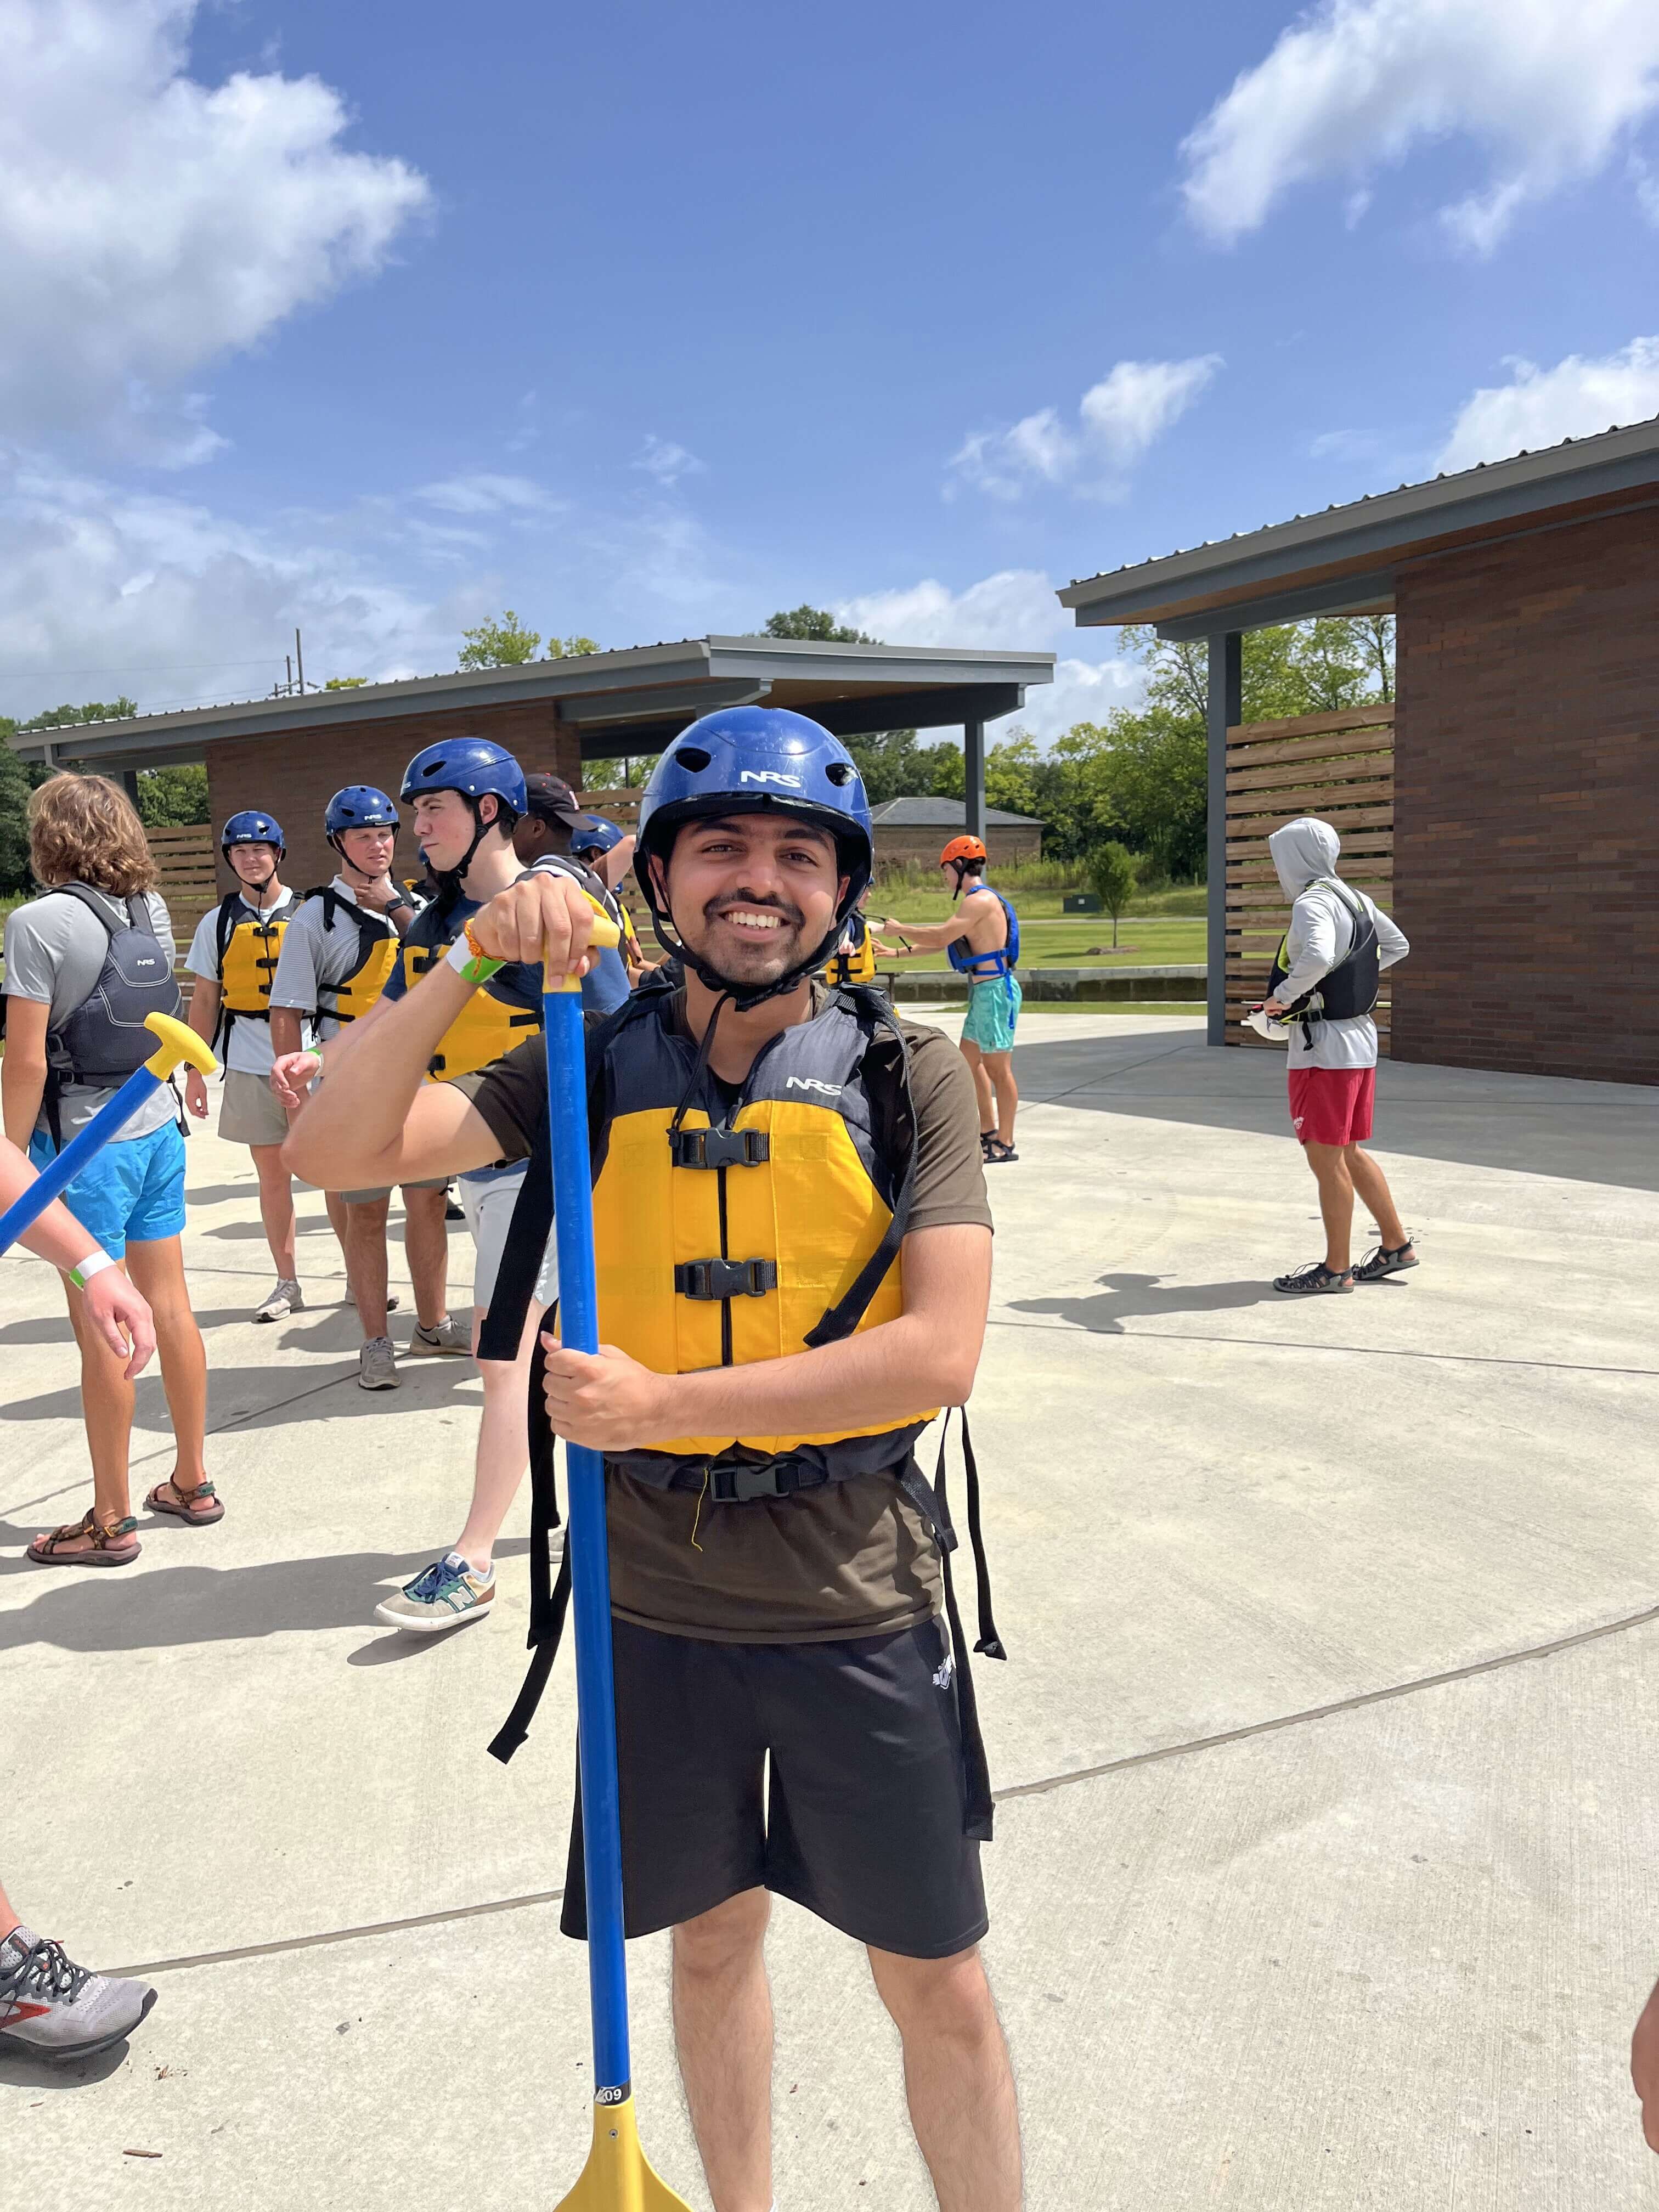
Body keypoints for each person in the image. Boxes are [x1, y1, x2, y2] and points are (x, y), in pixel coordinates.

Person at [285, 707, 1020, 2212]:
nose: (761, 882)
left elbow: (941, 1352)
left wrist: (663, 1410)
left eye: (797, 856)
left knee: (937, 1983)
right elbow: (336, 1153)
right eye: (723, 851)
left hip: (856, 1591)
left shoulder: (909, 1076)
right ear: (662, 881)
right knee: (708, 1939)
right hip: (655, 1601)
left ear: (842, 890)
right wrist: (468, 960)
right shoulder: (589, 1062)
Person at [284, 737, 625, 1632]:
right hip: (482, 1174)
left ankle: (474, 1556)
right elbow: (391, 1022)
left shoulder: (551, 905)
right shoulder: (435, 927)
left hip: (548, 1175)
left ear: (485, 811)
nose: (413, 828)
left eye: (431, 809)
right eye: (410, 812)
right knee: (544, 1356)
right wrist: (321, 1060)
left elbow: (623, 1032)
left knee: (502, 1358)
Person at [2, 774, 217, 1565]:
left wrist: (13, 1158)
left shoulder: (36, 923)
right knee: (170, 1306)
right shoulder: (149, 911)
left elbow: (24, 1059)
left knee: (103, 1328)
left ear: (50, 835)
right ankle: (192, 1480)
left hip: (84, 1144)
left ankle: (111, 1519)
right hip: (155, 1126)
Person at [268, 786, 465, 1390]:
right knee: (368, 1213)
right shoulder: (313, 917)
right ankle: (375, 1341)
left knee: (429, 1203)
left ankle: (432, 1325)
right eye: (363, 837)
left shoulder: (420, 903)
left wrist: (395, 904)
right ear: (338, 844)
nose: (378, 846)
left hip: (423, 1076)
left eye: (385, 835)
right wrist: (295, 1097)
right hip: (354, 1082)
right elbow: (287, 1010)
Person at [1261, 815, 1415, 1294]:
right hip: (1360, 1038)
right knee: (1349, 1150)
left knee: (1326, 1159)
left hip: (1323, 1047)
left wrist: (1284, 997)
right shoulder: (1357, 898)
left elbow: (1317, 957)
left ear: (1294, 858)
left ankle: (1336, 1269)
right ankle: (1396, 1246)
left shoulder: (1313, 902)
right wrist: (1350, 980)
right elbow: (1396, 945)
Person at [182, 810, 308, 1322]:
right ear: (230, 859)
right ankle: (287, 1282)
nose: (251, 859)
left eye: (260, 850)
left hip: (313, 1056)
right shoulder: (218, 923)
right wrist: (195, 1069)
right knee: (272, 1176)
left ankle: (358, 1277)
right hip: (251, 1062)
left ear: (278, 854)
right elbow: (206, 1001)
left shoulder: (312, 913)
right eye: (239, 851)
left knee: (339, 1172)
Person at [881, 835, 1022, 1164]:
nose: (944, 877)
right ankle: (988, 1133)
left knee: (998, 1070)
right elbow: (943, 941)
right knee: (969, 1064)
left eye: (945, 870)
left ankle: (1006, 1142)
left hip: (996, 994)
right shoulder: (975, 903)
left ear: (959, 866)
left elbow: (943, 935)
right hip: (986, 993)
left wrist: (900, 928)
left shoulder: (980, 901)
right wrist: (896, 952)